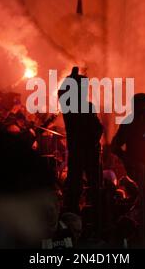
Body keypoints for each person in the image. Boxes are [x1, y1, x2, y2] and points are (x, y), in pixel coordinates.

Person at [58, 67, 103, 215]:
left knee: (78, 182)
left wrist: (72, 77)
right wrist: (73, 77)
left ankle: (78, 211)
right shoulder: (78, 106)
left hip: (81, 149)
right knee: (90, 184)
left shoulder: (70, 106)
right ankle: (93, 213)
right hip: (86, 150)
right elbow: (97, 128)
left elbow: (61, 93)